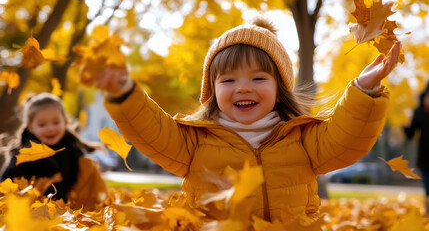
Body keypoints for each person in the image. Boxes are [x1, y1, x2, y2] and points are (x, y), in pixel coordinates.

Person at [89, 17, 400, 222]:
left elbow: (346, 139)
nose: (243, 88)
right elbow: (151, 129)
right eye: (228, 81)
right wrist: (125, 93)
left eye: (258, 77)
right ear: (211, 91)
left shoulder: (303, 138)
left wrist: (363, 89)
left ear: (280, 89)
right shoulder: (194, 142)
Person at [1, 92, 107, 210]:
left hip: (65, 209)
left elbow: (78, 180)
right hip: (34, 209)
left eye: (56, 122)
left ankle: (95, 209)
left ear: (65, 122)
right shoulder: (25, 153)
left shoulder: (71, 148)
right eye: (42, 125)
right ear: (30, 127)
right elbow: (7, 182)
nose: (50, 128)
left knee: (87, 164)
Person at [404, 82, 429, 213]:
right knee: (428, 189)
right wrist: (404, 126)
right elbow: (411, 134)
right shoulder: (419, 113)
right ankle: (428, 212)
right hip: (424, 158)